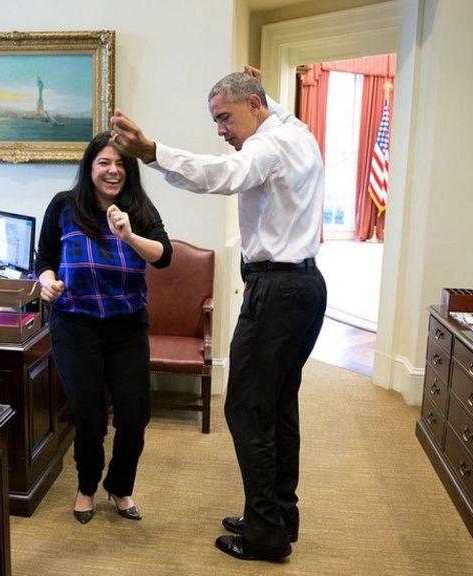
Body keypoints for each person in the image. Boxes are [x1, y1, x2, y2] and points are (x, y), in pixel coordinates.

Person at [110, 67, 327, 562]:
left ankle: (266, 535)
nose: (220, 130)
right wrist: (262, 85)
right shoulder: (296, 132)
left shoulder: (267, 148)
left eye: (225, 118)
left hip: (276, 292)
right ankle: (275, 515)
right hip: (304, 289)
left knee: (247, 410)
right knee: (276, 408)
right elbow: (272, 112)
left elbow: (222, 176)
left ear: (254, 106)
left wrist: (152, 152)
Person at [34, 131, 172, 525]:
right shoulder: (63, 206)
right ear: (90, 167)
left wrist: (128, 234)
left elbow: (164, 256)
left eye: (121, 164)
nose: (113, 171)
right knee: (89, 417)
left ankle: (120, 486)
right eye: (104, 163)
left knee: (133, 415)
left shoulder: (138, 208)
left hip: (126, 328)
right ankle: (87, 486)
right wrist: (46, 279)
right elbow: (44, 257)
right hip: (75, 326)